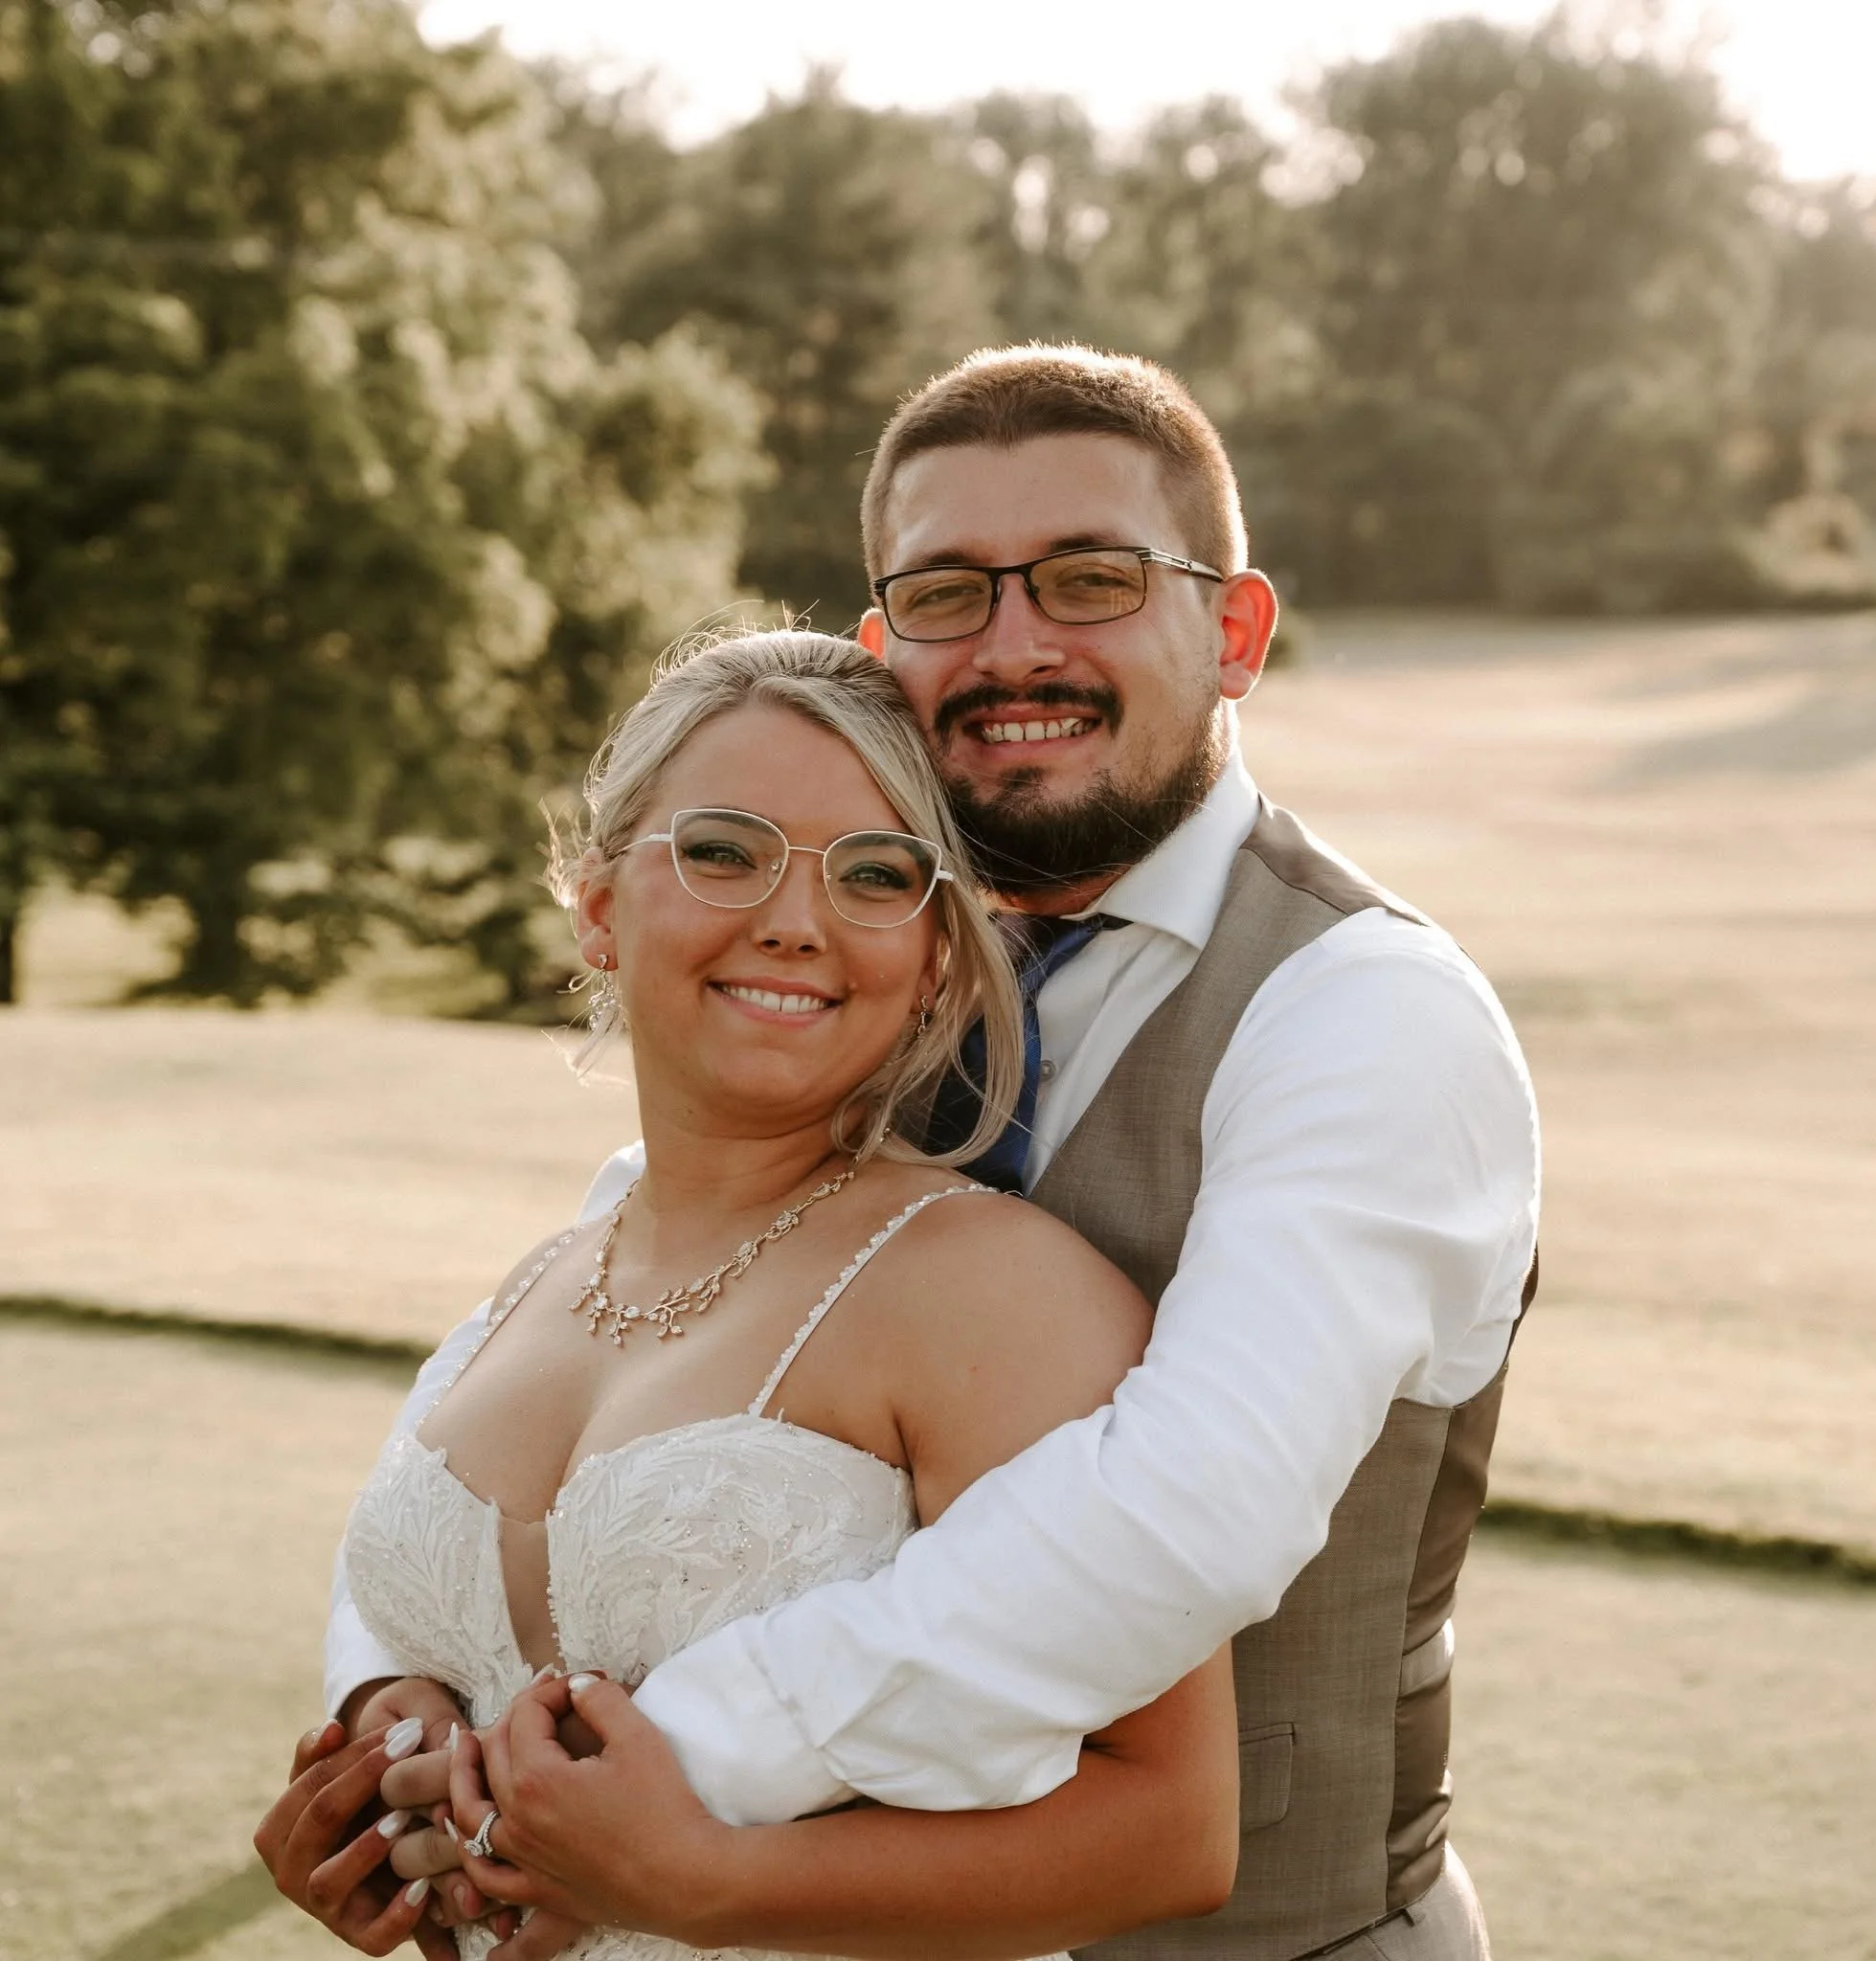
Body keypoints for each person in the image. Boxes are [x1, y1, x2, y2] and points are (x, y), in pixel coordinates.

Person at [289, 344, 1540, 1961]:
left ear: (1232, 632)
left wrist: (645, 1775)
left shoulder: (1361, 1016)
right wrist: (392, 1717)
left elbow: (1182, 1519)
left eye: (1092, 579)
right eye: (949, 593)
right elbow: (564, 1359)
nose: (1017, 644)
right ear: (886, 648)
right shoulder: (879, 964)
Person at [255, 630, 1241, 1959]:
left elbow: (1172, 1833)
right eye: (724, 851)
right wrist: (388, 1786)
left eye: (876, 875)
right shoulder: (546, 1275)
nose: (794, 918)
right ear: (599, 903)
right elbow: (440, 1663)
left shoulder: (993, 1296)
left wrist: (697, 1885)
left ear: (940, 958)